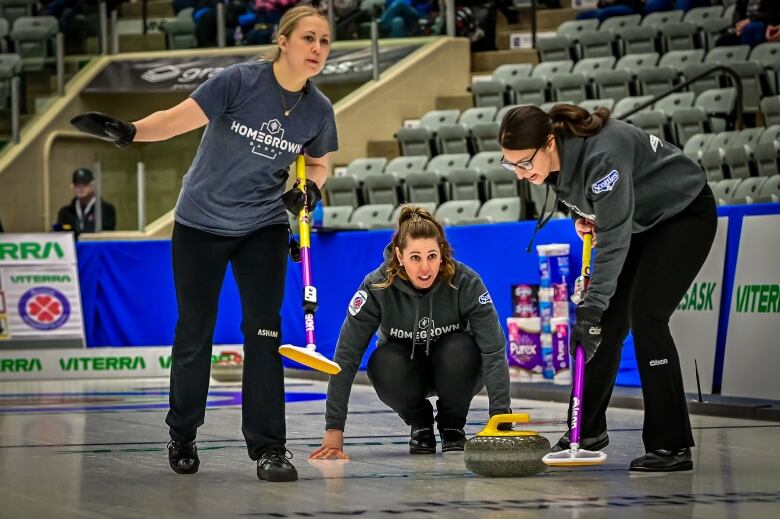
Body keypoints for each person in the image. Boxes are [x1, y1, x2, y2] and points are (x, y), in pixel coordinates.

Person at [70, 5, 338, 482]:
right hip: (200, 221)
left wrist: (312, 188)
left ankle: (270, 447)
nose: (317, 49)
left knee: (264, 330)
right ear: (283, 40)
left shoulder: (318, 109)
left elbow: (318, 164)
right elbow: (176, 119)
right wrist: (131, 133)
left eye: (324, 41)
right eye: (308, 39)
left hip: (263, 225)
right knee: (195, 328)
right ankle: (183, 432)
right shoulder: (237, 81)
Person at [498, 104, 717, 472]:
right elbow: (583, 198)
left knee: (646, 317)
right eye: (511, 165)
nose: (520, 174)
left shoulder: (602, 156)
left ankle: (671, 446)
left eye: (523, 163)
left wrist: (591, 306)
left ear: (550, 143)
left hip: (684, 214)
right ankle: (585, 430)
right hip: (642, 221)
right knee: (606, 326)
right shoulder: (552, 159)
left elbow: (614, 240)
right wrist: (584, 216)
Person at [309, 206, 512, 460]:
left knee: (461, 347)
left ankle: (452, 426)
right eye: (415, 257)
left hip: (456, 370)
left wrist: (502, 421)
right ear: (399, 255)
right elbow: (345, 359)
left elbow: (493, 350)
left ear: (442, 253)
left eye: (432, 256)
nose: (425, 268)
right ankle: (420, 424)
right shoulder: (376, 286)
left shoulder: (466, 283)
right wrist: (334, 429)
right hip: (406, 372)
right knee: (383, 361)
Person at [55, 168, 117, 235]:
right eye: (77, 185)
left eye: (85, 185)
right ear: (72, 187)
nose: (80, 188)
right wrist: (71, 228)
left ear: (93, 186)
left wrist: (74, 230)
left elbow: (105, 230)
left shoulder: (106, 210)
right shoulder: (65, 212)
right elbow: (61, 228)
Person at [716, 0, 780, 48]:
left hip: (764, 23)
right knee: (722, 39)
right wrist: (738, 25)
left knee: (750, 29)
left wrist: (750, 20)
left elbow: (772, 13)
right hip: (743, 25)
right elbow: (737, 12)